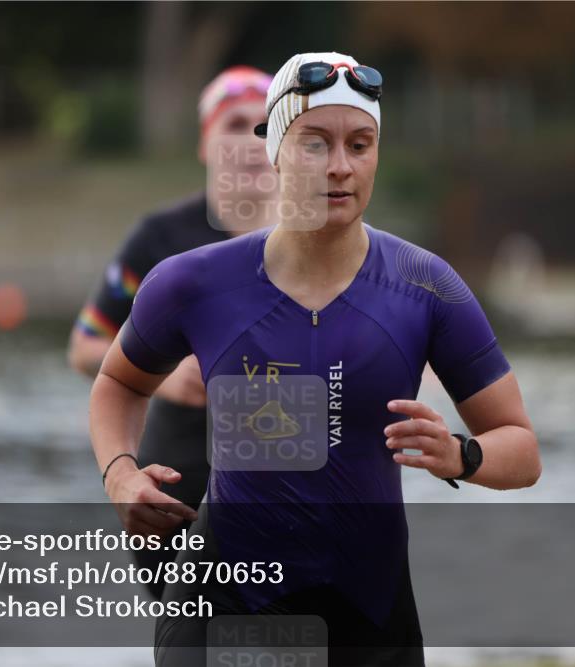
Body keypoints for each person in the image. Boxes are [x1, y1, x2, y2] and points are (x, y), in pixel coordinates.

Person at [89, 52, 542, 666]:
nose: (340, 166)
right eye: (315, 143)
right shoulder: (192, 282)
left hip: (368, 615)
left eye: (360, 145)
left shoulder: (426, 286)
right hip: (224, 604)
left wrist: (464, 454)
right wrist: (120, 473)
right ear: (274, 150)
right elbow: (118, 382)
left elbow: (522, 449)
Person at [69, 66, 273, 599]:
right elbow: (85, 346)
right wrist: (166, 375)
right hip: (179, 488)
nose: (251, 141)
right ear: (205, 143)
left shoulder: (320, 239)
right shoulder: (160, 238)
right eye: (235, 125)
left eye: (264, 126)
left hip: (288, 486)